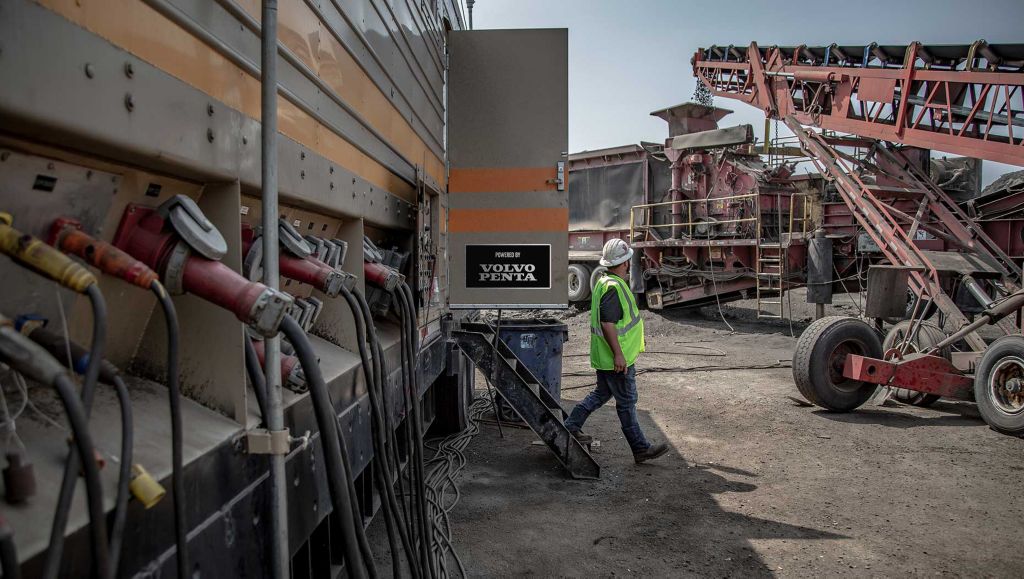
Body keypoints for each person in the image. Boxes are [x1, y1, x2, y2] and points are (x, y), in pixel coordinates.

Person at [564, 238, 668, 464]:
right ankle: (640, 448)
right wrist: (619, 354)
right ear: (625, 263)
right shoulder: (613, 287)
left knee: (601, 394)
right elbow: (608, 323)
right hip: (616, 359)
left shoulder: (604, 281)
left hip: (608, 357)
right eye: (628, 260)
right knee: (627, 402)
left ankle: (571, 426)